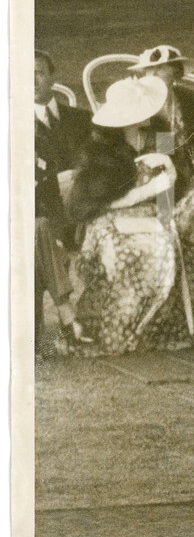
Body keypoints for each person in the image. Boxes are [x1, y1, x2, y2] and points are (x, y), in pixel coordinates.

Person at [68, 76, 194, 356]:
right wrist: (147, 190)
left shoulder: (162, 136)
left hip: (157, 216)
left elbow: (173, 190)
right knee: (135, 254)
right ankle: (127, 328)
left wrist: (169, 175)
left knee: (176, 245)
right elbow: (92, 203)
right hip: (110, 220)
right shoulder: (102, 146)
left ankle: (165, 329)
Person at [34, 51, 92, 352]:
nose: (32, 79)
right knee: (42, 227)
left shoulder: (81, 119)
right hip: (42, 213)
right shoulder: (12, 125)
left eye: (39, 72)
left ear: (53, 77)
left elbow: (97, 167)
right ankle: (69, 318)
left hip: (82, 211)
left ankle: (71, 318)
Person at [128, 45, 194, 196]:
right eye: (149, 70)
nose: (153, 74)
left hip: (193, 169)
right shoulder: (136, 101)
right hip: (150, 176)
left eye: (161, 69)